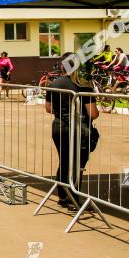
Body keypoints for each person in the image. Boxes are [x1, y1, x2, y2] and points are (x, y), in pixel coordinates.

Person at [45, 54, 99, 208]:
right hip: (78, 129)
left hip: (58, 126)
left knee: (64, 161)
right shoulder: (83, 84)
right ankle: (74, 198)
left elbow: (48, 108)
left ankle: (63, 196)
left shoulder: (54, 83)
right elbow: (93, 113)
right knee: (77, 164)